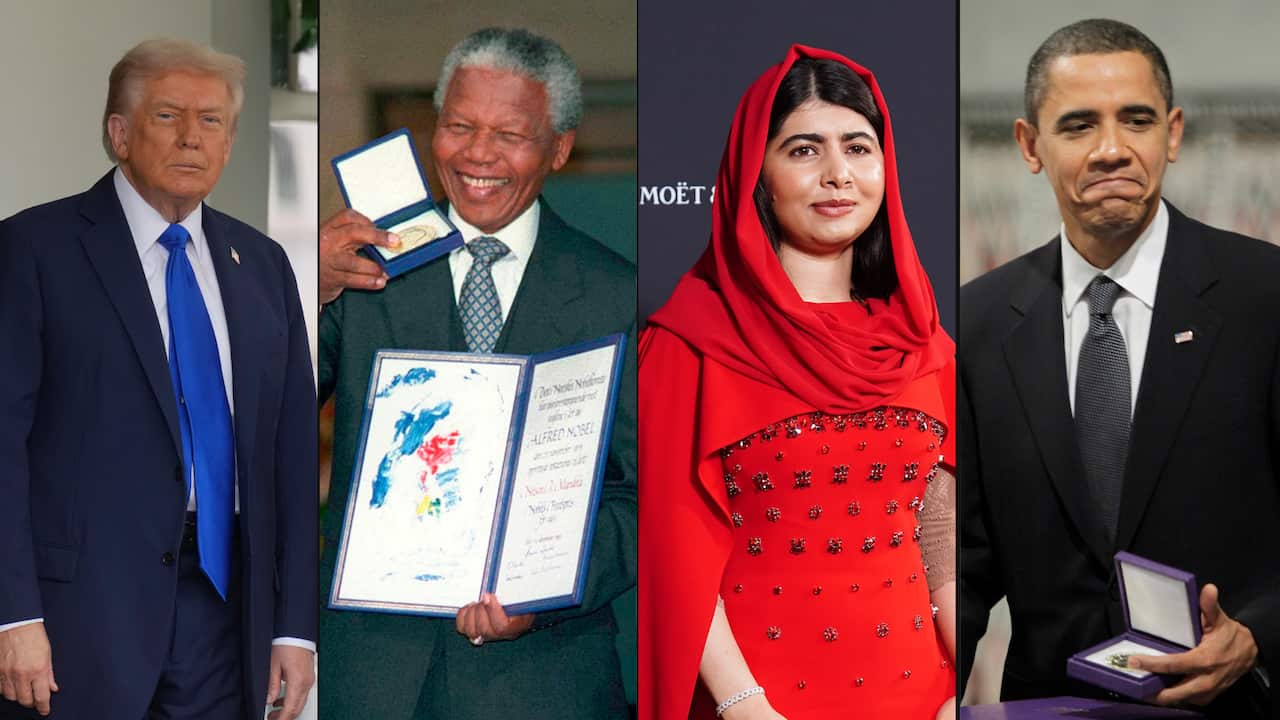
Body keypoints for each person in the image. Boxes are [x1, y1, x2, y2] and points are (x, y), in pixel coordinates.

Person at [959, 18, 1280, 719]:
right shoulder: (976, 325)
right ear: (1029, 145)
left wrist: (1257, 634)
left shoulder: (1266, 296)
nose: (1111, 149)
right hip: (1047, 708)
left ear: (1172, 133)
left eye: (1135, 120)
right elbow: (962, 567)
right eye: (1077, 125)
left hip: (1234, 707)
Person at [316, 28, 637, 719]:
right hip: (372, 674)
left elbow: (642, 498)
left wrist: (545, 592)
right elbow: (250, 410)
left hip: (545, 680)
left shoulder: (616, 295)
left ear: (558, 149)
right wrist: (299, 289)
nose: (479, 154)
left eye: (511, 134)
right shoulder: (359, 268)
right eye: (459, 126)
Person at [0, 39, 316, 719]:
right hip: (76, 618)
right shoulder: (33, 249)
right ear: (119, 132)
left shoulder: (262, 265)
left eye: (211, 122)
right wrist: (11, 616)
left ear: (231, 142)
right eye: (169, 116)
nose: (192, 138)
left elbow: (290, 454)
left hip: (224, 616)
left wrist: (294, 626)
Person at [639, 45, 957, 719]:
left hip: (923, 699)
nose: (839, 175)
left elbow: (941, 537)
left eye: (859, 147)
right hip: (757, 705)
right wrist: (746, 706)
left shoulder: (924, 344)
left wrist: (968, 690)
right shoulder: (687, 343)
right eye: (805, 150)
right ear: (758, 172)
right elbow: (673, 552)